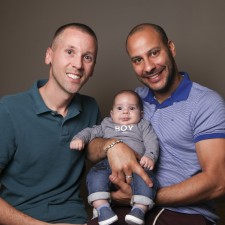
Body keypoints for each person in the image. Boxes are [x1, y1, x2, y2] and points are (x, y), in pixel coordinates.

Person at [87, 23, 225, 225]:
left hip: (184, 214)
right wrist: (112, 145)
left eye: (154, 53)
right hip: (126, 209)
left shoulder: (206, 103)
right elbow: (92, 150)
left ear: (171, 48)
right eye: (137, 60)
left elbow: (218, 182)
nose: (148, 67)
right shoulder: (133, 102)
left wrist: (143, 195)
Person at [0, 23, 101, 225]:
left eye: (87, 57)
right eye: (70, 52)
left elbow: (102, 157)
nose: (78, 64)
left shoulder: (90, 109)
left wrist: (116, 147)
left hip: (75, 220)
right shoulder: (8, 109)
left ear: (92, 69)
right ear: (49, 56)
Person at [70, 90, 159, 225]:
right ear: (112, 114)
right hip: (108, 164)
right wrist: (79, 138)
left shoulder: (143, 125)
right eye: (120, 108)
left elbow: (152, 141)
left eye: (132, 108)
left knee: (147, 181)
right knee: (95, 175)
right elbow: (91, 131)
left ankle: (139, 210)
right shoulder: (107, 124)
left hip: (137, 164)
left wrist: (149, 156)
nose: (125, 112)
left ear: (141, 114)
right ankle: (102, 208)